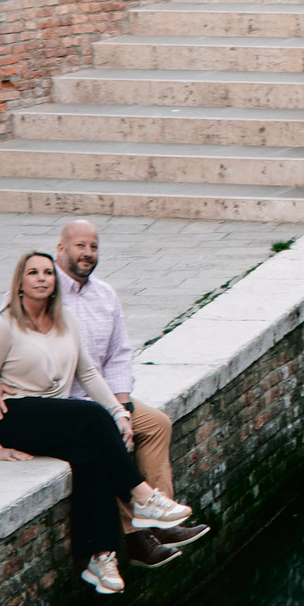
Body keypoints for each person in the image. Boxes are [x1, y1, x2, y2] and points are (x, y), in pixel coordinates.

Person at [0, 250, 178, 594]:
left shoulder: (65, 320)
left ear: (55, 282)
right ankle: (140, 495)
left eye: (48, 273)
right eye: (33, 273)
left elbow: (88, 373)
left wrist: (118, 412)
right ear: (19, 283)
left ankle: (101, 557)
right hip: (15, 416)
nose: (41, 278)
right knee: (91, 416)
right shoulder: (5, 324)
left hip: (54, 416)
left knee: (91, 458)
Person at [55, 219, 211, 562]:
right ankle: (136, 537)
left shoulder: (105, 294)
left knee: (156, 424)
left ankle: (159, 523)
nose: (88, 253)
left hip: (104, 398)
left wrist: (123, 406)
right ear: (61, 249)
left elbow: (119, 354)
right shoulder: (44, 292)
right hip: (66, 404)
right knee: (109, 439)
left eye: (93, 247)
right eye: (80, 246)